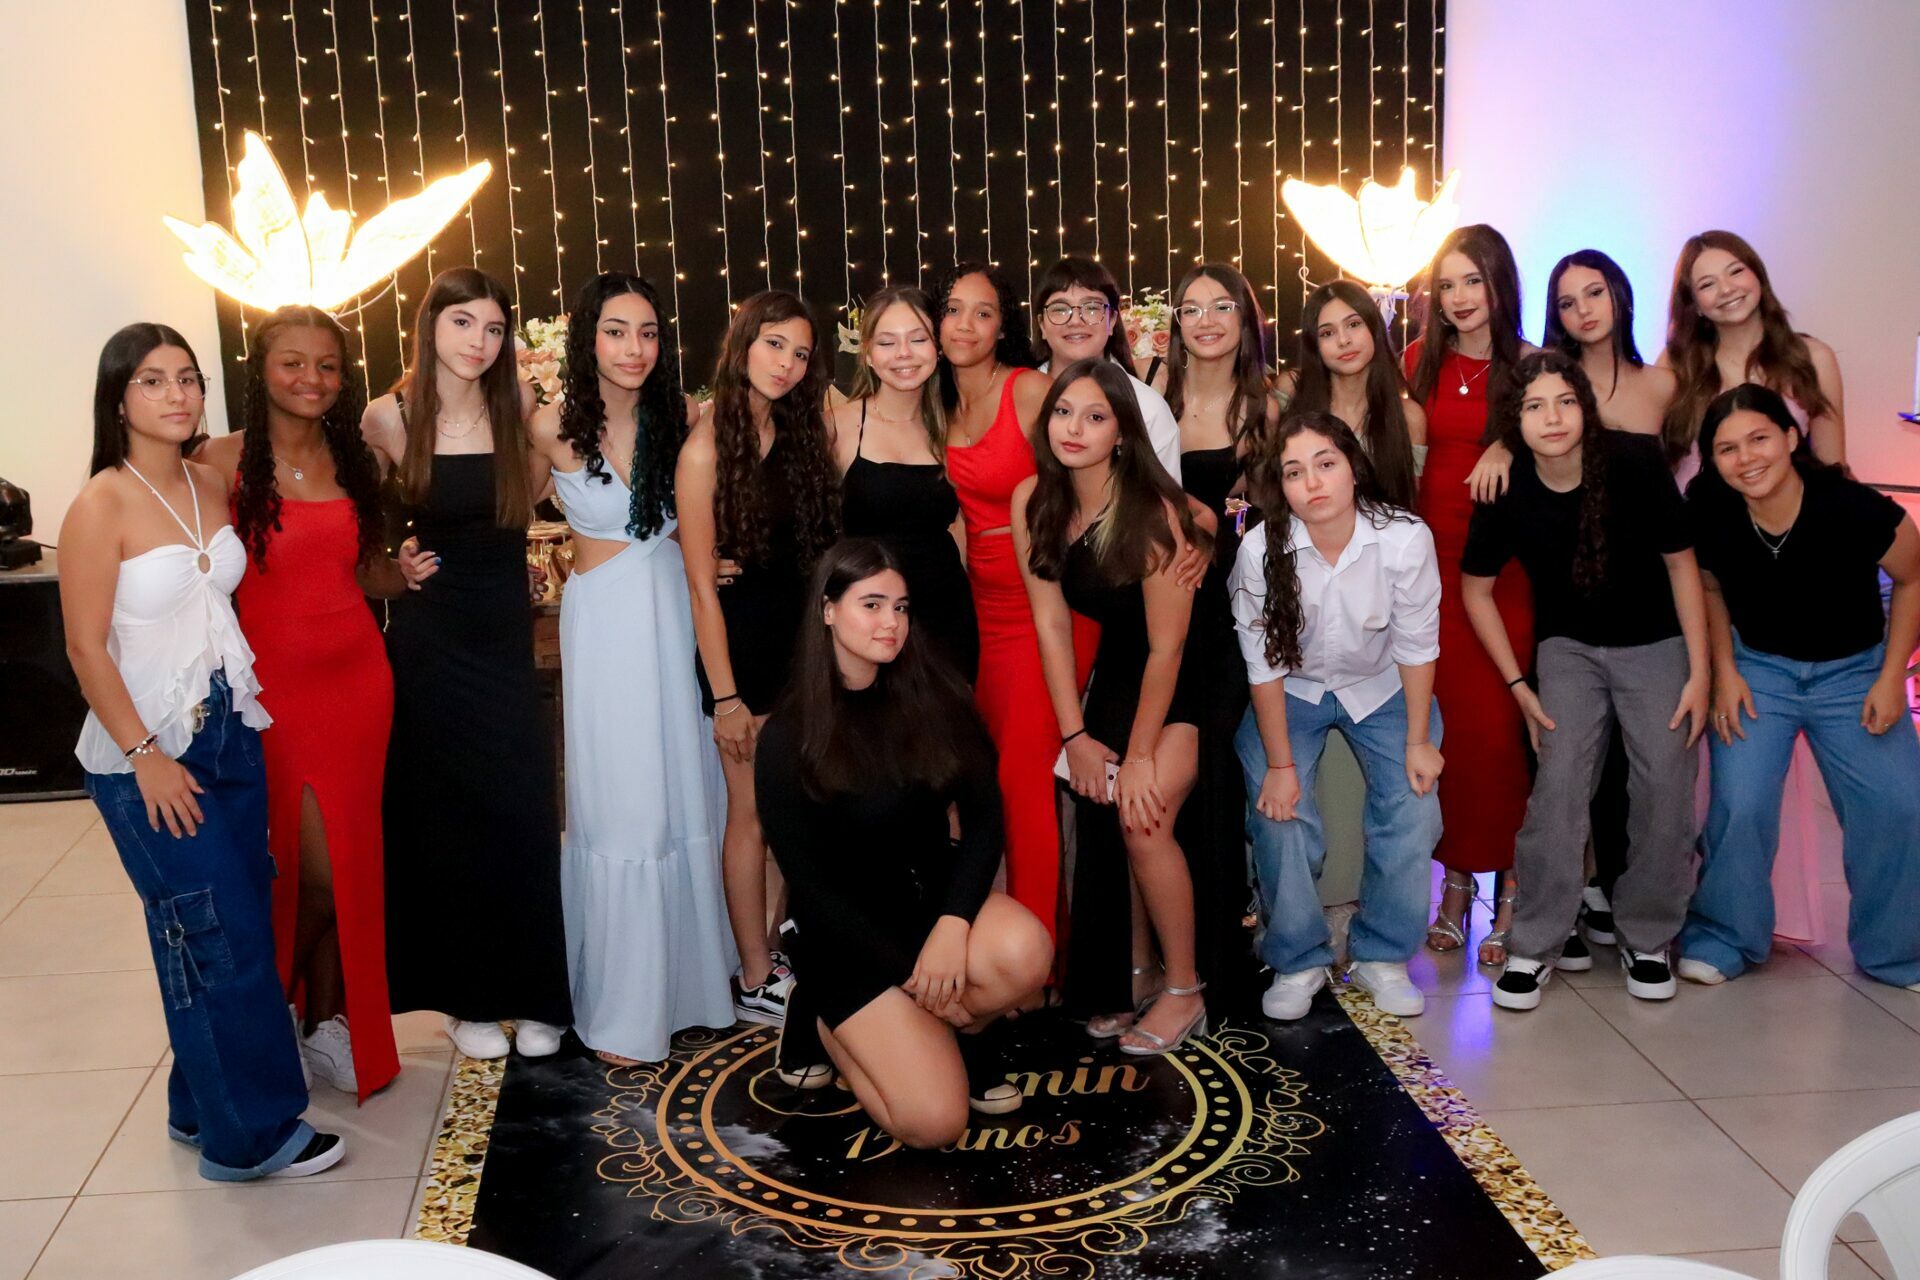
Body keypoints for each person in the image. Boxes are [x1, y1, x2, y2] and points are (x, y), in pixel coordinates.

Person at [59, 323, 344, 1180]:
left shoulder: (211, 480)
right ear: (118, 399)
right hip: (147, 752)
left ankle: (199, 1105)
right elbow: (84, 648)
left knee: (224, 924)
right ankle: (251, 1138)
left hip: (229, 732)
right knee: (223, 939)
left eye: (187, 378)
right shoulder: (100, 504)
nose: (177, 394)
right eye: (153, 381)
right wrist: (145, 754)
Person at [196, 306, 430, 1099]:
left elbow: (364, 573)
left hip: (359, 683)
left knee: (350, 868)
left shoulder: (353, 455)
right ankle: (260, 1034)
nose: (311, 379)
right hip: (272, 694)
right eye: (292, 363)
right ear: (259, 371)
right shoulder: (218, 462)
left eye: (327, 366)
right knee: (305, 872)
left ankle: (326, 1026)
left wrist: (402, 572)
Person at [756, 538, 1054, 1146]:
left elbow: (985, 820)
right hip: (845, 936)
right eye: (871, 605)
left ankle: (962, 1033)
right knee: (934, 1123)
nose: (890, 622)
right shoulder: (788, 734)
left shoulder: (938, 696)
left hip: (927, 901)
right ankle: (820, 1020)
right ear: (828, 610)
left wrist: (952, 925)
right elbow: (810, 888)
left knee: (1027, 952)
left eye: (901, 607)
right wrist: (918, 979)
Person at [363, 267, 573, 1061]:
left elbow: (541, 490)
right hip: (432, 642)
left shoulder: (516, 403)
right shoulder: (387, 416)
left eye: (492, 328)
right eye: (462, 323)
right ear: (430, 325)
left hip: (504, 634)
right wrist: (391, 565)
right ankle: (468, 1000)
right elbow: (356, 524)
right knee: (448, 818)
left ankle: (537, 992)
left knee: (522, 810)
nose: (478, 342)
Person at [527, 272, 737, 1065]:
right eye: (616, 331)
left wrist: (721, 558)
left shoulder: (683, 416)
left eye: (647, 332)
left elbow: (706, 513)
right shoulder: (548, 426)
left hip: (676, 617)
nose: (633, 348)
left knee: (683, 787)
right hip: (605, 626)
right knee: (622, 801)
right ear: (587, 338)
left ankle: (692, 988)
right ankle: (622, 1002)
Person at [1461, 352, 1710, 1012]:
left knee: (1665, 782)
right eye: (1534, 406)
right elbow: (1475, 590)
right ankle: (1535, 942)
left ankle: (1647, 937)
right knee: (1560, 783)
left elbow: (1682, 566)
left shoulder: (1633, 461)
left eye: (1565, 401)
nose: (1552, 417)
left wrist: (1700, 673)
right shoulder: (1507, 482)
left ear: (1585, 409)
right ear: (1515, 421)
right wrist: (1519, 686)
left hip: (1655, 642)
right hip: (1567, 648)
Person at [1680, 384, 1920, 992]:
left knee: (1899, 804)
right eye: (1727, 448)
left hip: (1854, 673)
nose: (1746, 458)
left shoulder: (1852, 505)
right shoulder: (1708, 505)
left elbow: (1913, 578)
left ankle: (1897, 953)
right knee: (1741, 803)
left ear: (1790, 438)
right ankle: (1724, 936)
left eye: (1759, 438)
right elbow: (1709, 586)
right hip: (1759, 670)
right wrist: (1726, 670)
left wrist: (1892, 676)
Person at [1014, 358, 1214, 1055]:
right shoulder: (1033, 500)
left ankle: (1185, 990)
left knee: (1142, 816)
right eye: (1063, 412)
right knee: (1104, 810)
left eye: (1096, 416)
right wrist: (1074, 734)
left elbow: (1169, 647)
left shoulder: (1151, 510)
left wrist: (1138, 755)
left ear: (1123, 433)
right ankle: (1137, 973)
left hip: (1189, 669)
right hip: (1120, 670)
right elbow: (1050, 624)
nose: (1074, 428)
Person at [1662, 231, 1848, 949]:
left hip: (1782, 584)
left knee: (1760, 758)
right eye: (1706, 283)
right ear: (1692, 303)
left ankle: (1764, 912)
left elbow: (1835, 479)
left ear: (1758, 275)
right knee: (1696, 749)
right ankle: (1684, 907)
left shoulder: (1810, 359)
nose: (1726, 289)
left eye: (1735, 271)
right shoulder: (1679, 371)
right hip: (1696, 576)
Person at [1230, 413, 1444, 1020]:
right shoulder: (1259, 549)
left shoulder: (1404, 538)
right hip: (1292, 689)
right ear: (1280, 486)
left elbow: (1417, 644)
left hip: (1381, 685)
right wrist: (1280, 767)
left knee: (1413, 802)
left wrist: (1419, 740)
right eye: (1294, 472)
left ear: (1353, 468)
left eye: (1326, 464)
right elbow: (1262, 666)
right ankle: (1298, 957)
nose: (1313, 483)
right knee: (1280, 812)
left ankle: (1382, 954)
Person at [677, 290, 842, 1025]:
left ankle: (784, 946)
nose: (787, 364)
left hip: (803, 648)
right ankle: (752, 975)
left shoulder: (801, 430)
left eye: (801, 353)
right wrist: (726, 699)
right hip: (741, 653)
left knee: (801, 807)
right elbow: (699, 587)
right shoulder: (705, 448)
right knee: (749, 814)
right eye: (774, 344)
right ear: (741, 343)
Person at [934, 262, 1093, 942]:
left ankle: (1040, 960)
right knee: (984, 785)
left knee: (1024, 784)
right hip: (977, 614)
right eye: (953, 310)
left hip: (1045, 606)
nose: (966, 325)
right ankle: (1003, 941)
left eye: (984, 312)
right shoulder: (933, 401)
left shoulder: (1028, 390)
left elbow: (1093, 463)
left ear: (1003, 328)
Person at [1403, 224, 1536, 965]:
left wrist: (1507, 440)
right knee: (1445, 731)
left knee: (1500, 735)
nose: (1458, 297)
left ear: (1499, 283)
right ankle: (1454, 885)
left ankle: (1513, 888)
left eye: (1472, 281)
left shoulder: (1531, 366)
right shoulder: (1418, 360)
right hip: (1429, 571)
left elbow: (1564, 441)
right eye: (1446, 284)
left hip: (1501, 572)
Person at [1540, 249, 1678, 958]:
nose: (1584, 310)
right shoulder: (1552, 386)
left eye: (1594, 293)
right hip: (1565, 597)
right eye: (1568, 301)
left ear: (1620, 295)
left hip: (1649, 597)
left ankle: (1631, 902)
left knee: (1643, 766)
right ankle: (1576, 892)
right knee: (1572, 762)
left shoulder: (1664, 384)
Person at [1154, 262, 1277, 1006]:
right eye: (1192, 308)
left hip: (1235, 611)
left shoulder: (1270, 406)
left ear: (1244, 318)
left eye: (1222, 306)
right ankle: (1168, 945)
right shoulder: (1151, 396)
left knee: (1221, 775)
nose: (1206, 320)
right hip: (1160, 607)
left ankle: (1223, 945)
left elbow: (1283, 512)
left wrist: (1228, 521)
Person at [832, 285, 979, 681]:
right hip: (867, 628)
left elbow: (967, 526)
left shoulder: (956, 427)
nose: (903, 354)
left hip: (945, 620)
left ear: (938, 348)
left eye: (917, 339)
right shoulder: (838, 427)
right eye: (887, 342)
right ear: (867, 352)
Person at [1274, 280, 1427, 510]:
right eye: (1327, 333)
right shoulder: (1291, 390)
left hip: (1380, 529)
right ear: (1314, 344)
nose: (1343, 340)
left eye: (1354, 324)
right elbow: (1264, 479)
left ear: (1374, 328)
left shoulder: (1409, 417)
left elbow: (1407, 506)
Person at [1031, 255, 1183, 483]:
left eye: (1091, 308)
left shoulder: (1147, 408)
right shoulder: (1018, 396)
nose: (1076, 320)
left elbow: (1165, 499)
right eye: (1060, 309)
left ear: (1112, 321)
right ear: (1042, 324)